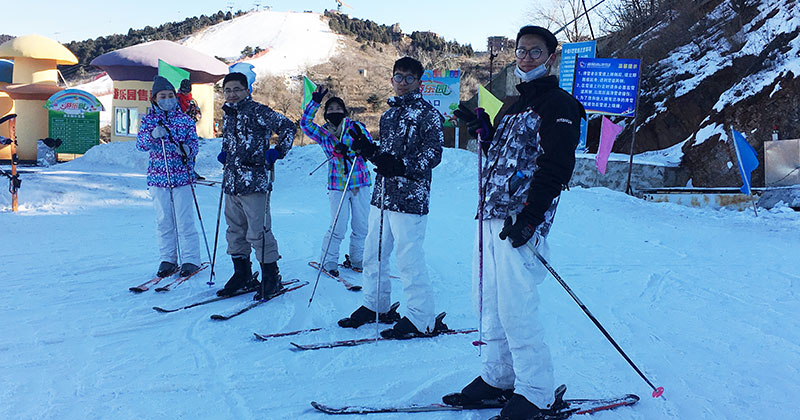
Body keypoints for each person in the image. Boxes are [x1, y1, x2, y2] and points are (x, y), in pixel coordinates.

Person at [444, 26, 586, 420]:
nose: (526, 59)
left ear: (551, 58)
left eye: (535, 53)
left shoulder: (559, 105)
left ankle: (537, 390)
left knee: (516, 306)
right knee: (487, 301)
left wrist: (530, 219)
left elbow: (555, 165)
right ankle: (497, 377)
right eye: (521, 52)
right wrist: (483, 133)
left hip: (520, 220)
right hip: (491, 215)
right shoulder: (512, 104)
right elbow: (505, 155)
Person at [339, 56, 444, 339]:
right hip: (383, 196)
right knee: (373, 254)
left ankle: (421, 318)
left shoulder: (428, 114)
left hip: (410, 198)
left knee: (408, 259)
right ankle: (375, 305)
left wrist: (402, 167)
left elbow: (433, 154)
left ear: (420, 82)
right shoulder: (389, 115)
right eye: (399, 77)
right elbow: (386, 156)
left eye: (410, 78)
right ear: (392, 79)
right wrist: (368, 149)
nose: (403, 83)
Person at [215, 72, 296, 299]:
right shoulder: (228, 114)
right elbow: (233, 141)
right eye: (228, 90)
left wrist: (278, 151)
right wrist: (226, 154)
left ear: (247, 90)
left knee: (258, 232)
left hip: (253, 182)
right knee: (235, 231)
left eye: (237, 89)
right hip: (231, 182)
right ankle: (243, 274)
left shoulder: (258, 111)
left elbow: (288, 127)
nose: (232, 94)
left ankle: (271, 276)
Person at [299, 87, 373, 276]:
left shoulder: (356, 127)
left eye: (337, 108)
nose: (334, 111)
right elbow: (305, 124)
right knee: (338, 225)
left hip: (360, 182)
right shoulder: (323, 133)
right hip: (338, 185)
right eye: (330, 109)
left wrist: (355, 147)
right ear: (326, 114)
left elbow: (369, 146)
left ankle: (358, 258)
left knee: (361, 225)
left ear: (344, 111)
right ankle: (329, 261)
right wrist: (314, 103)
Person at [136, 75, 202, 278]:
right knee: (164, 221)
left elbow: (195, 146)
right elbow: (140, 145)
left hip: (182, 177)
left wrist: (187, 150)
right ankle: (168, 259)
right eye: (162, 96)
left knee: (185, 220)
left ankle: (190, 259)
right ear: (154, 98)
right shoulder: (149, 120)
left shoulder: (184, 120)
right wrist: (152, 134)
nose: (167, 99)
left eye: (170, 95)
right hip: (159, 178)